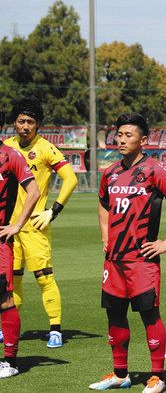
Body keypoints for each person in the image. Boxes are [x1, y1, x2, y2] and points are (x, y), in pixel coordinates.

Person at [90, 113, 166, 393]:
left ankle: (157, 377)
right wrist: (105, 236)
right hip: (114, 261)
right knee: (115, 314)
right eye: (119, 134)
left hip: (142, 260)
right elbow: (103, 204)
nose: (121, 140)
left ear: (143, 140)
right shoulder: (110, 172)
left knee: (149, 315)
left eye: (128, 135)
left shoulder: (155, 170)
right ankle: (120, 374)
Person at [1, 99, 78, 348]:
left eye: (31, 122)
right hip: (8, 226)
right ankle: (7, 328)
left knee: (44, 277)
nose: (25, 126)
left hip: (34, 225)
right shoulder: (6, 147)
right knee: (12, 280)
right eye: (21, 121)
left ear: (38, 125)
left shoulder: (45, 149)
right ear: (14, 123)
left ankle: (55, 329)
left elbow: (70, 179)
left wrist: (53, 211)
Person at [0, 109, 40, 378]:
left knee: (4, 300)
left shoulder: (10, 156)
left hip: (1, 241)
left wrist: (16, 225)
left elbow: (34, 191)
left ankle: (10, 362)